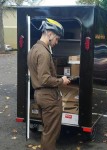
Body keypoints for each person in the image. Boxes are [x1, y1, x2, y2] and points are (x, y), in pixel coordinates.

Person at [27, 18, 70, 150]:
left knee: (47, 130)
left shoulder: (33, 49)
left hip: (40, 95)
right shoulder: (44, 53)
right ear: (49, 34)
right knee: (51, 133)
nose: (57, 42)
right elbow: (45, 79)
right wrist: (61, 80)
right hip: (48, 97)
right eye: (57, 38)